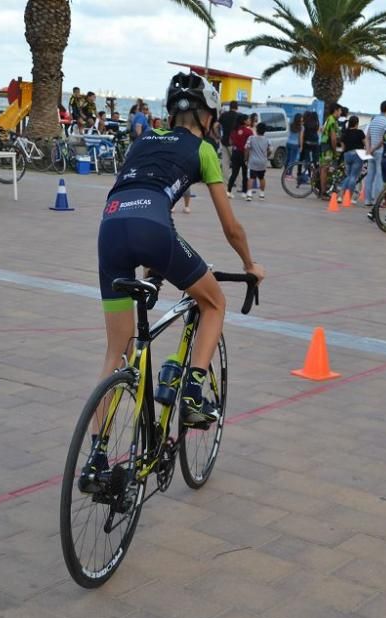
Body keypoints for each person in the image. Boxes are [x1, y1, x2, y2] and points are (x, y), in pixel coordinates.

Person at [95, 72, 263, 433]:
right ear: (208, 118)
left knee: (118, 353)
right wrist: (250, 265)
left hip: (109, 227)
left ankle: (97, 457)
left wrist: (152, 271)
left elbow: (133, 199)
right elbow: (231, 227)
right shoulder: (203, 150)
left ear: (170, 115)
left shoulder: (142, 142)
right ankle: (191, 394)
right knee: (214, 303)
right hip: (153, 230)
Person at [364, 100, 386, 206]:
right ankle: (377, 200)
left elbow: (367, 137)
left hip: (371, 152)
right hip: (381, 152)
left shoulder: (374, 120)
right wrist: (374, 148)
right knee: (379, 177)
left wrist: (369, 149)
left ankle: (367, 199)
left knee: (370, 175)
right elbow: (385, 139)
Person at [339, 115, 366, 199]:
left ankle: (341, 195)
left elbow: (343, 147)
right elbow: (365, 143)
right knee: (353, 176)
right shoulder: (360, 132)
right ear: (357, 123)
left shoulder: (345, 133)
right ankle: (348, 196)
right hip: (358, 155)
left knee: (348, 175)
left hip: (347, 154)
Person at [226, 114, 252, 199]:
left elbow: (230, 142)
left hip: (235, 153)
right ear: (244, 121)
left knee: (234, 173)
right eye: (248, 119)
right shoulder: (249, 131)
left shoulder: (234, 130)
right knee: (245, 174)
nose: (249, 121)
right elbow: (250, 145)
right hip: (244, 154)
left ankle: (228, 191)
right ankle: (244, 192)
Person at [319, 104, 342, 197]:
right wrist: (334, 150)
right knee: (324, 169)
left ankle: (323, 190)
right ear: (335, 111)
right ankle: (323, 192)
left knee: (324, 169)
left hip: (324, 146)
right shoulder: (332, 121)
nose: (340, 113)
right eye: (340, 111)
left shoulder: (329, 119)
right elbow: (333, 138)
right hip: (327, 148)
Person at [246, 123, 272, 200]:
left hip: (253, 161)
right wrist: (266, 156)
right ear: (265, 131)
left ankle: (249, 194)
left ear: (256, 129)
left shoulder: (251, 138)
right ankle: (262, 194)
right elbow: (270, 150)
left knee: (251, 177)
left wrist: (246, 158)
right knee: (262, 177)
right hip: (263, 161)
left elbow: (247, 148)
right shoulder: (268, 140)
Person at [217, 101, 240, 177]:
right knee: (235, 163)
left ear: (230, 106)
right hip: (234, 143)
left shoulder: (224, 115)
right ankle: (234, 180)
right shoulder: (238, 116)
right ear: (237, 107)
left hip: (224, 140)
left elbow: (217, 125)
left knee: (225, 162)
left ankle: (225, 181)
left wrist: (219, 136)